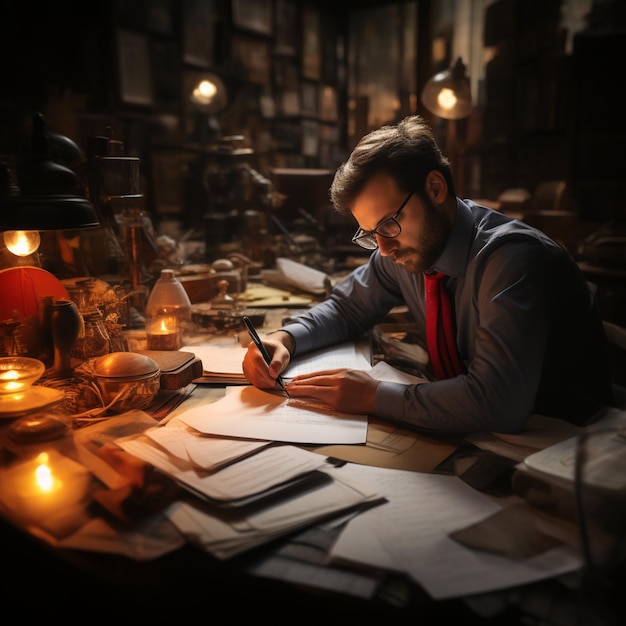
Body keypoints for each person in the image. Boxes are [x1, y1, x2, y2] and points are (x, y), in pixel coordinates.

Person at [242, 115, 615, 435]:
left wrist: (372, 395)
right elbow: (347, 309)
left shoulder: (514, 260)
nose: (384, 249)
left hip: (564, 450)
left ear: (435, 188)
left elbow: (499, 403)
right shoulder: (404, 249)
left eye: (389, 224)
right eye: (371, 234)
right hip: (474, 436)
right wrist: (286, 337)